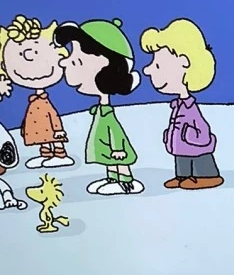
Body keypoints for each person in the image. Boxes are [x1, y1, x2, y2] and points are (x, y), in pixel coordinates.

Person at [53, 19, 143, 195]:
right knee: (110, 160)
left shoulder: (107, 114)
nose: (64, 63)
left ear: (107, 70)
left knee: (118, 160)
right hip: (109, 144)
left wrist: (118, 148)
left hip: (116, 148)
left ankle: (126, 181)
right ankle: (113, 178)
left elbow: (115, 131)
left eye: (77, 62)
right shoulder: (101, 111)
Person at [141, 18, 223, 190]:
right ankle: (182, 176)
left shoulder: (190, 107)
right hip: (181, 146)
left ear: (184, 63)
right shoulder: (177, 105)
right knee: (182, 159)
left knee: (200, 160)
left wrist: (190, 137)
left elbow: (202, 128)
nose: (147, 70)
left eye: (158, 65)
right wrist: (170, 136)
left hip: (196, 148)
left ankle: (207, 176)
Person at [0, 16, 74, 168]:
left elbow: (52, 115)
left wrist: (58, 129)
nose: (29, 57)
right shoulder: (34, 101)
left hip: (50, 126)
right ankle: (45, 154)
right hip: (38, 126)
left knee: (52, 137)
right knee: (42, 138)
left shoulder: (43, 102)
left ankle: (59, 154)